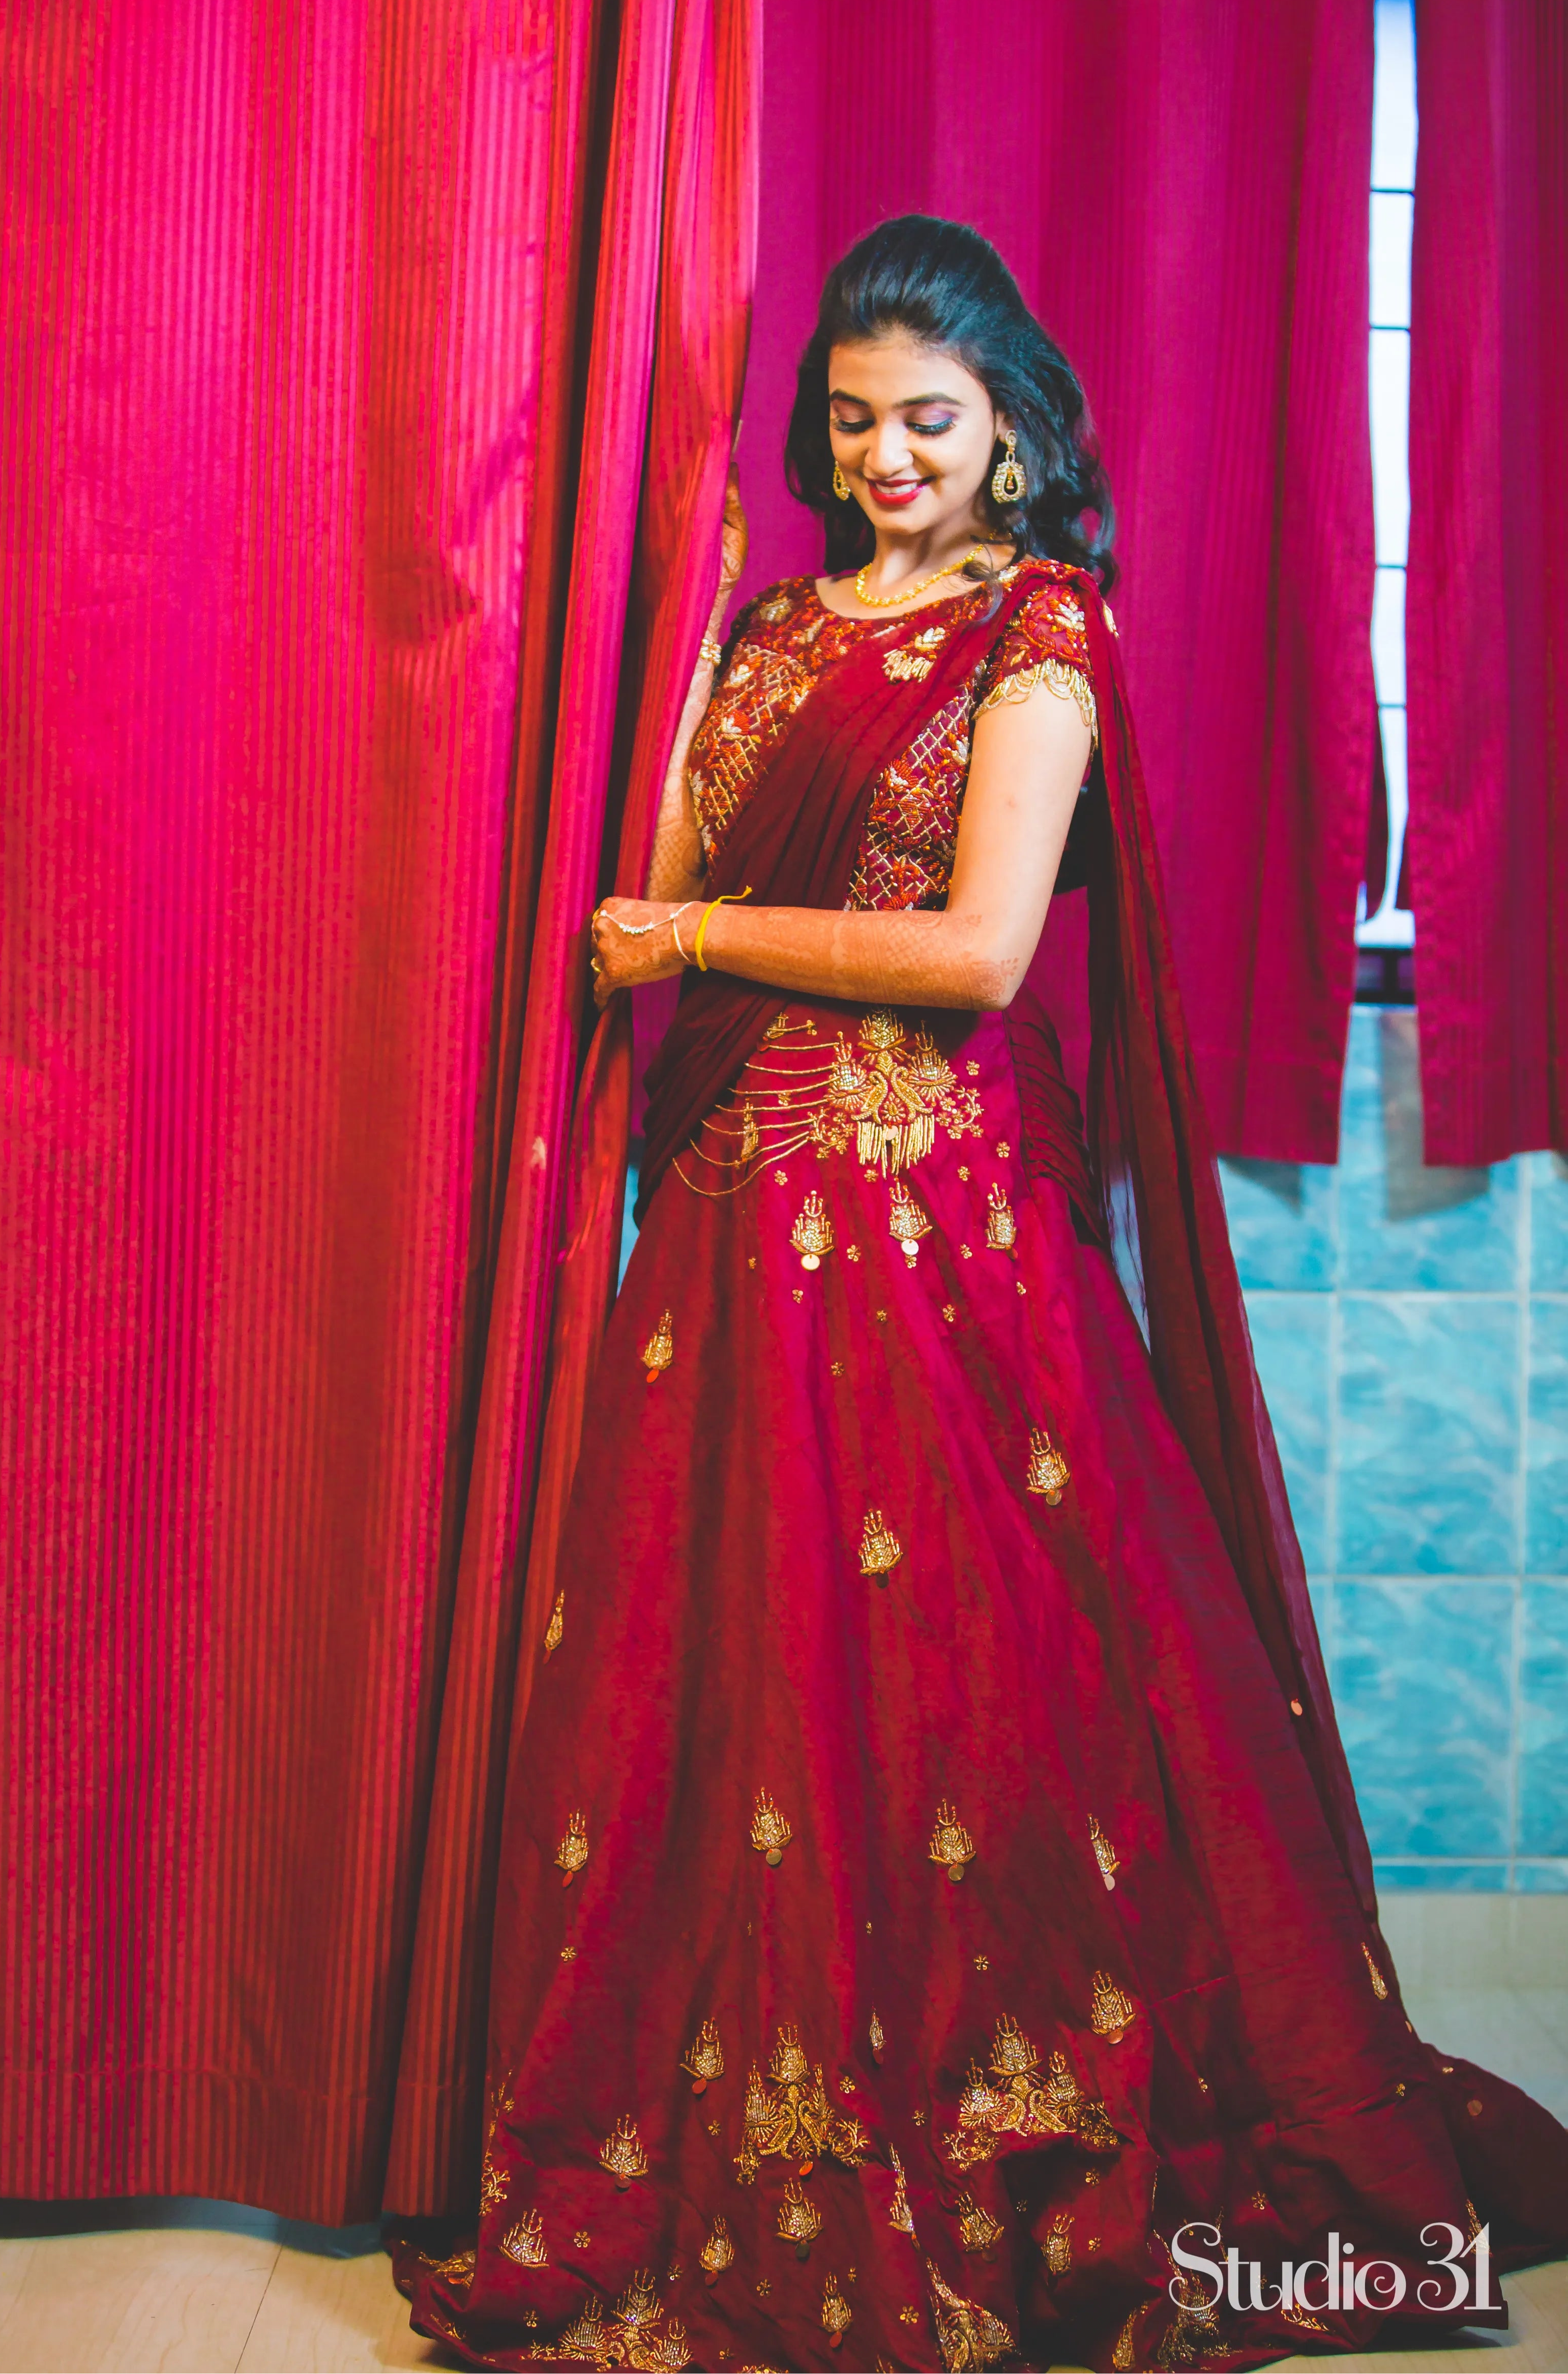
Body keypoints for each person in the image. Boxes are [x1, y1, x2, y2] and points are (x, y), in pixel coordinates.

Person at [393, 217, 1567, 2374]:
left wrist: (683, 938)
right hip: (736, 1245)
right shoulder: (755, 628)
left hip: (942, 1253)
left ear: (1011, 429)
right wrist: (665, 877)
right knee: (723, 1705)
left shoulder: (1040, 631)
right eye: (848, 423)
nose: (883, 461)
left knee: (954, 1710)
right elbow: (662, 848)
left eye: (927, 421)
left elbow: (973, 956)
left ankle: (1001, 2138)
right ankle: (723, 2132)